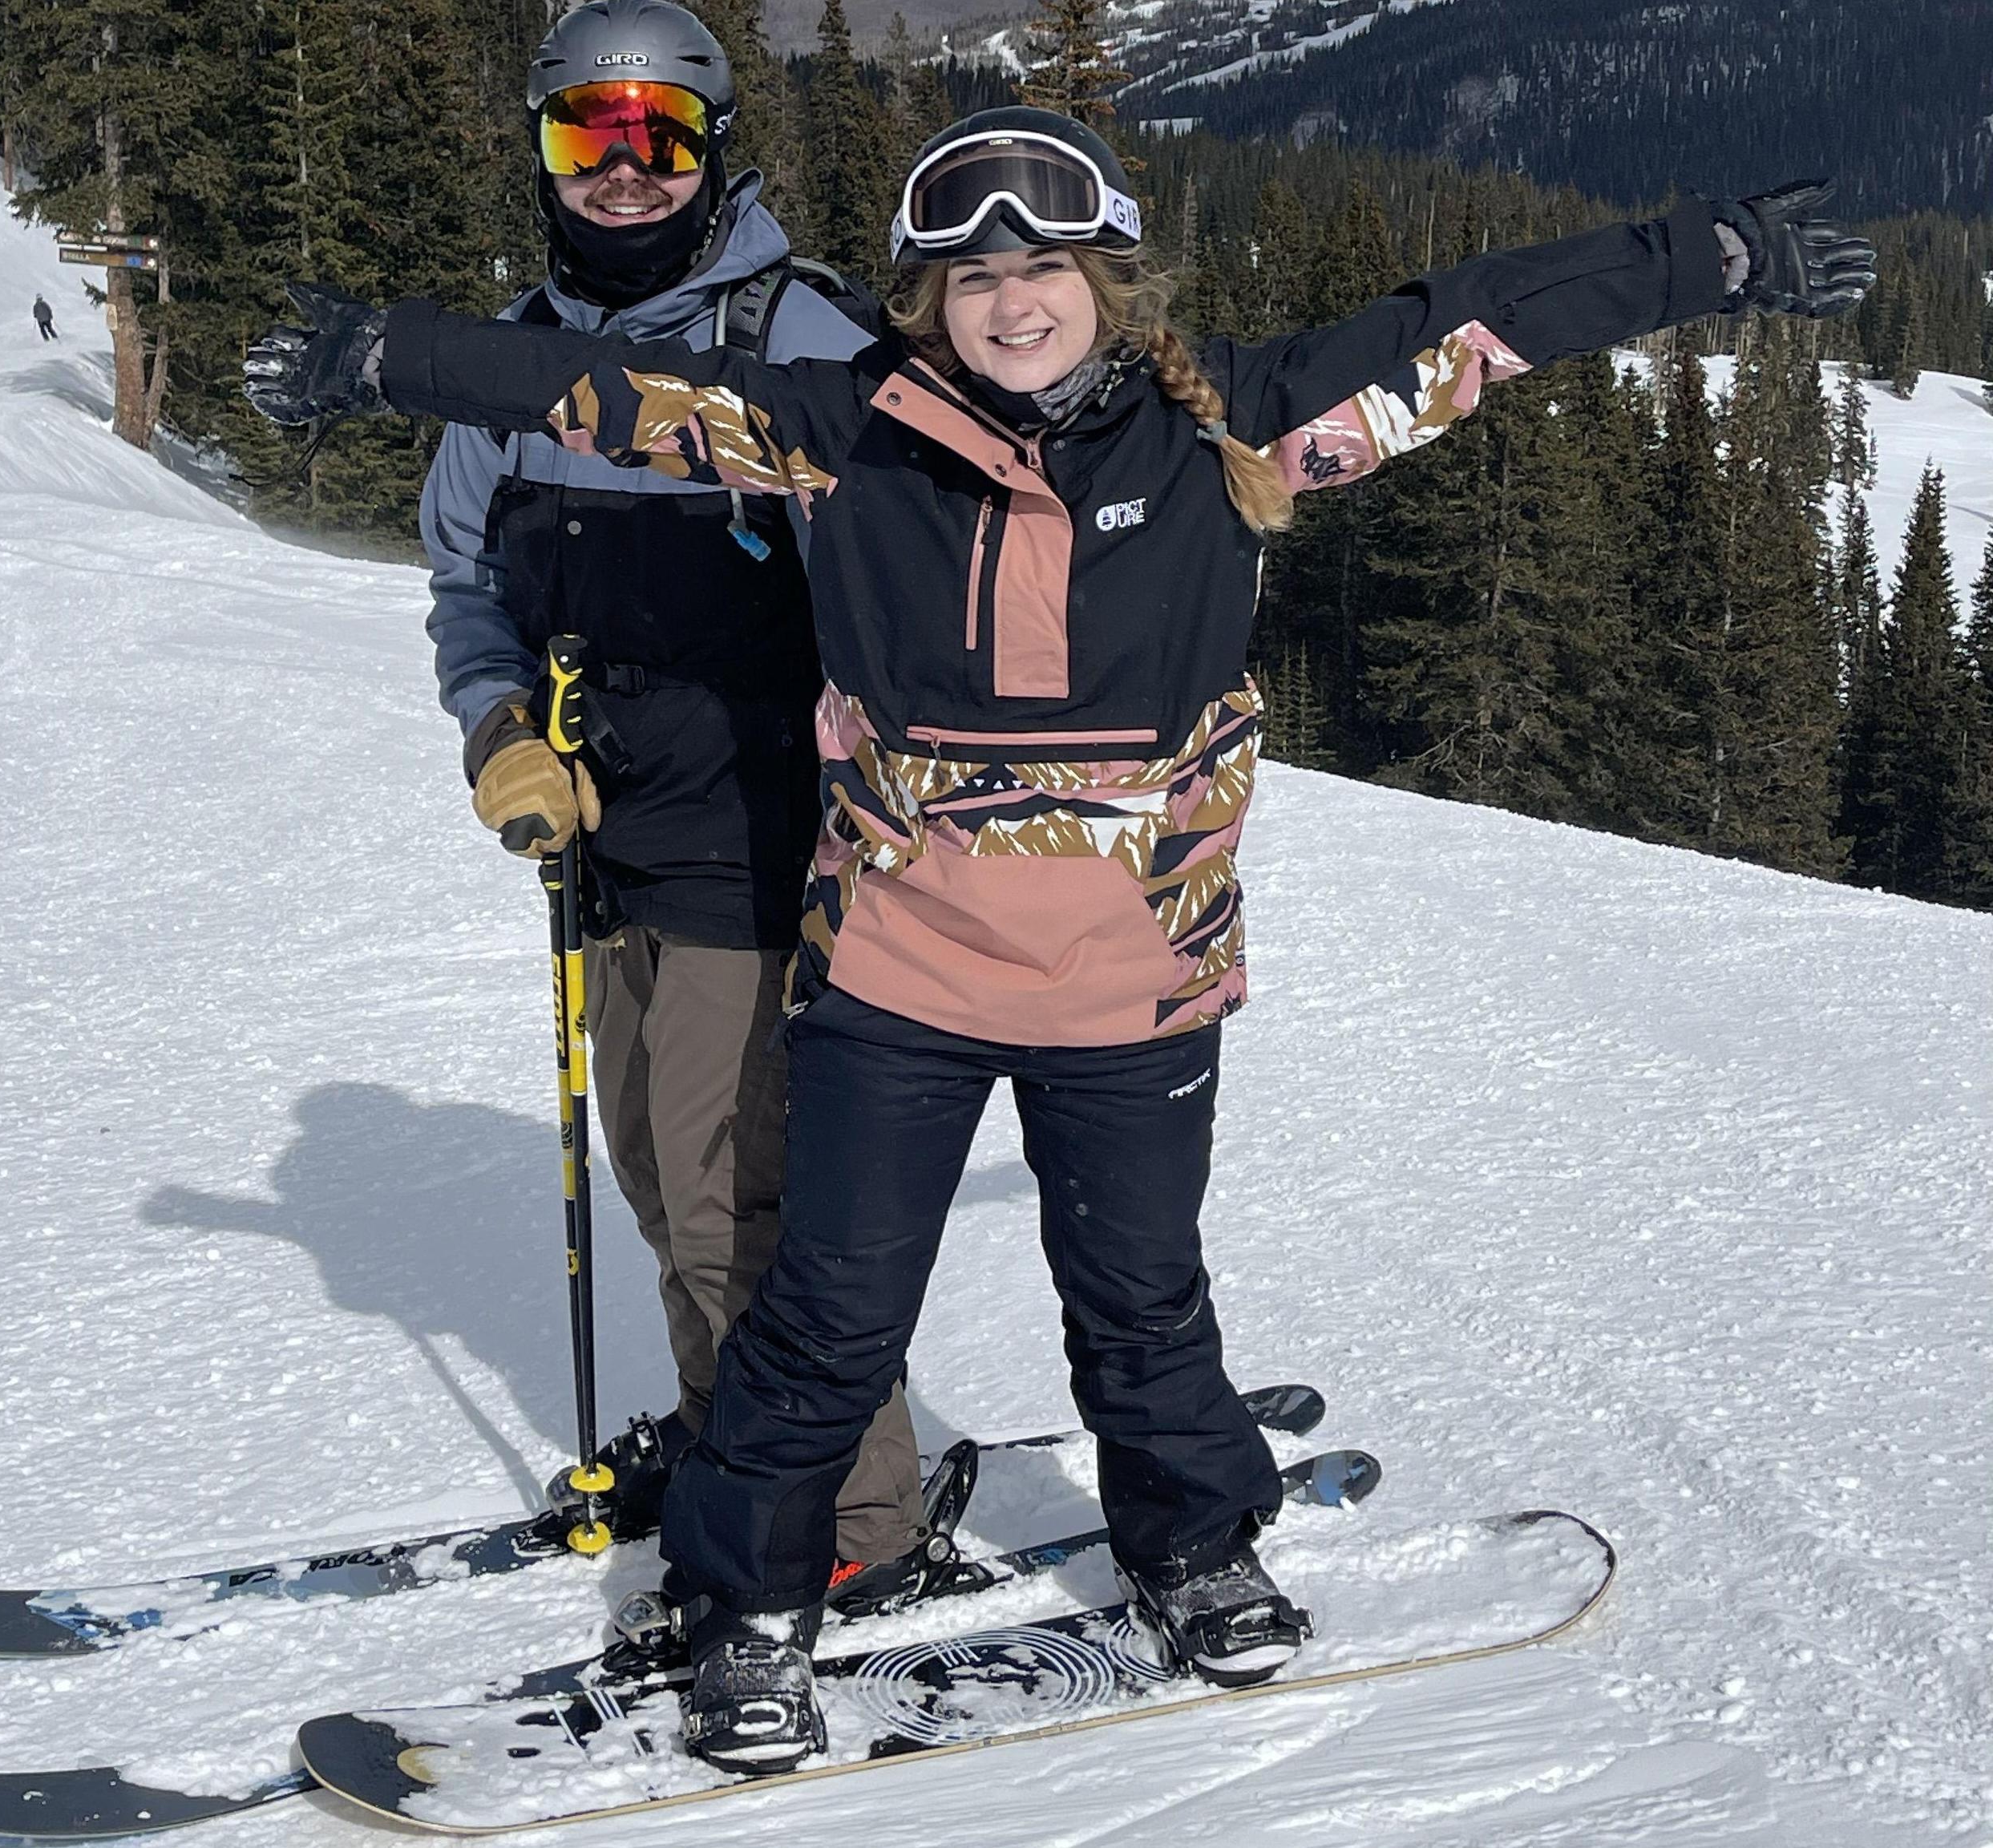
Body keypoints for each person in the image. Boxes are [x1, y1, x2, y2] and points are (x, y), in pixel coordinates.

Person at [254, 110, 1874, 1773]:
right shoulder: (840, 431)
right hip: (897, 974)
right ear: (919, 298)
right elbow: (598, 395)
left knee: (1140, 1299)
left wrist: (1715, 258)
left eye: (1040, 267)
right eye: (967, 276)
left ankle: (1191, 1544)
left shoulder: (1236, 429)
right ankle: (747, 1609)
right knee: (824, 1313)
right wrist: (389, 357)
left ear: (1104, 274)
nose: (1007, 303)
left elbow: (1467, 325)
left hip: (1138, 975)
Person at [247, 0, 936, 1603]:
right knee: (653, 1174)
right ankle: (727, 1440)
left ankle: (850, 1527)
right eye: (584, 137)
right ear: (542, 153)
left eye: (656, 139)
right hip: (605, 838)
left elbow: (905, 604)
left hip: (770, 845)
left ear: (708, 153)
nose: (620, 175)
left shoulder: (802, 341)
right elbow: (462, 574)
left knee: (733, 1205)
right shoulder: (513, 358)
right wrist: (495, 723)